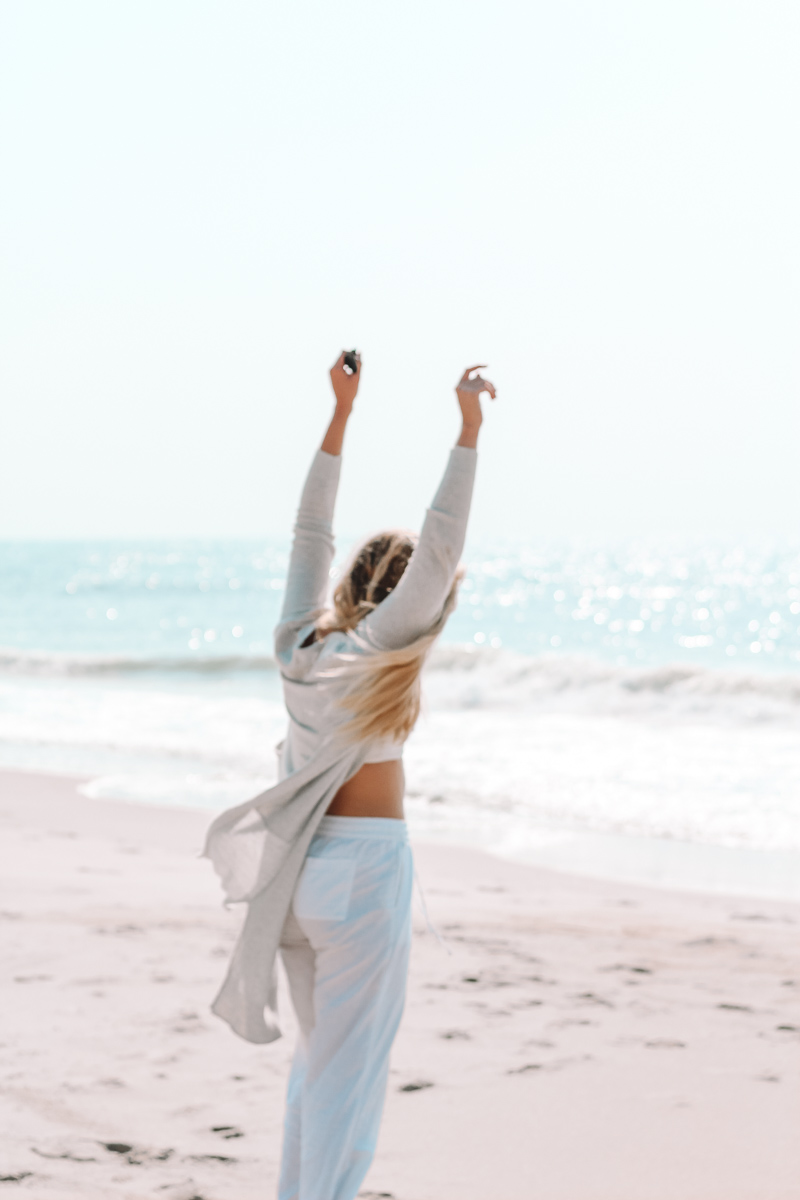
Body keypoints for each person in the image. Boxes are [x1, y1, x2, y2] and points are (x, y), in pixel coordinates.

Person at [204, 351, 496, 1200]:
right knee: (350, 1076)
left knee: (318, 1062)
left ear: (346, 580)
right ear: (411, 598)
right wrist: (468, 431)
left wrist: (340, 415)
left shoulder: (299, 646)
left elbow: (309, 534)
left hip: (298, 881)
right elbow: (442, 547)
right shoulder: (382, 651)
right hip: (363, 880)